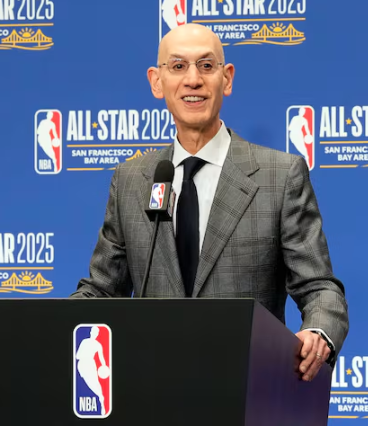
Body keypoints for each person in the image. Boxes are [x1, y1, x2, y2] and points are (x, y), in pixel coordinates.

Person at [71, 23, 349, 382]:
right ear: (157, 82)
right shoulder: (131, 180)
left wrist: (318, 332)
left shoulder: (279, 176)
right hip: (153, 387)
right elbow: (102, 290)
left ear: (227, 78)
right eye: (178, 66)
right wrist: (46, 329)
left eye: (206, 66)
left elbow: (320, 288)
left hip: (247, 386)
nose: (193, 80)